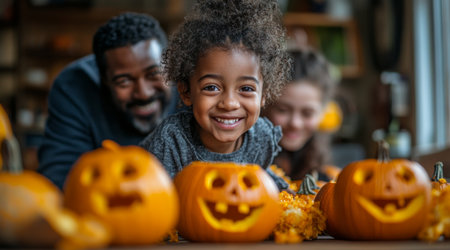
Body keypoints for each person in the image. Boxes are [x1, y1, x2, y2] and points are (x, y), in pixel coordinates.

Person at [139, 0, 292, 191]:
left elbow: (260, 178)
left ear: (264, 94)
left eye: (246, 89)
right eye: (212, 87)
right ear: (186, 92)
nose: (229, 103)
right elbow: (155, 199)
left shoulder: (260, 137)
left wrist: (291, 195)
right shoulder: (172, 141)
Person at [38, 12, 176, 190]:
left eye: (154, 74)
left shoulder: (196, 84)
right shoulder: (73, 87)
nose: (143, 93)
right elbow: (60, 178)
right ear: (104, 81)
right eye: (124, 81)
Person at [263, 47, 338, 182]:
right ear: (265, 104)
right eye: (282, 110)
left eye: (307, 113)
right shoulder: (249, 165)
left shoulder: (322, 173)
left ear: (322, 112)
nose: (295, 123)